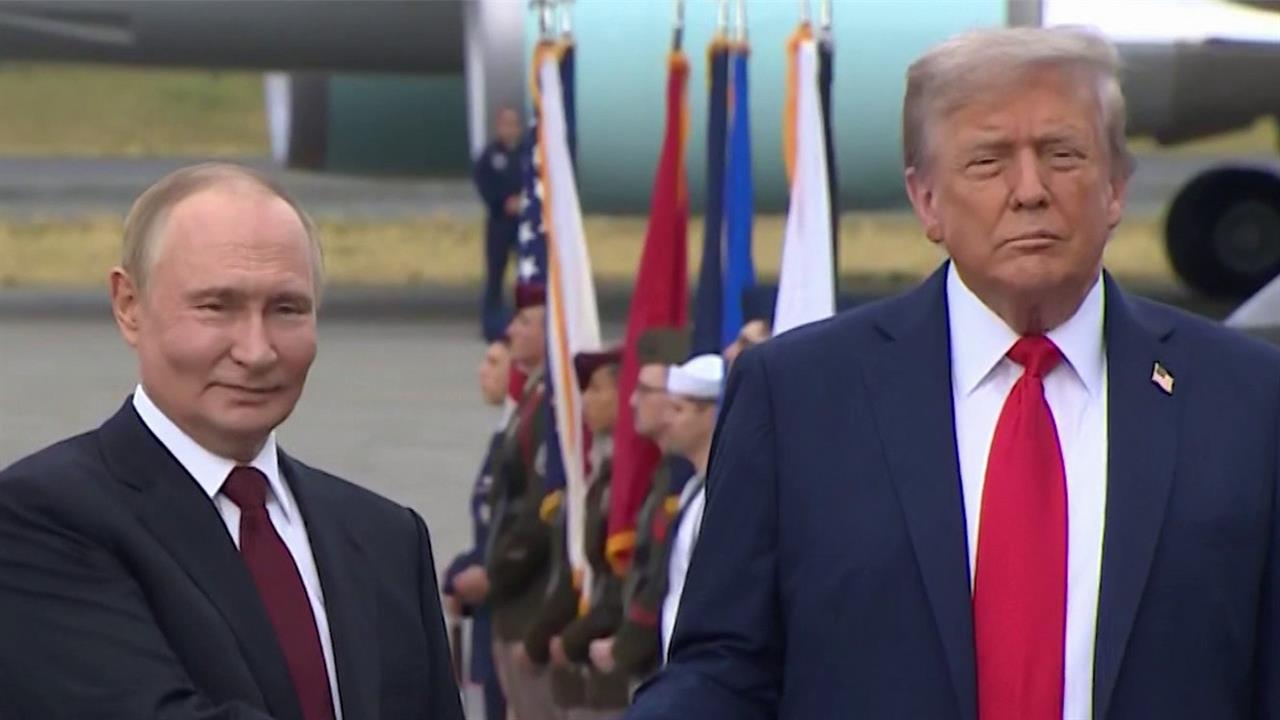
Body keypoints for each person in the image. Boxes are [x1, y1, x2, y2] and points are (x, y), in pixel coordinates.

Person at [627, 26, 1280, 720]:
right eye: (988, 162)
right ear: (927, 200)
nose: (1030, 191)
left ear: (1116, 187)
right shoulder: (798, 399)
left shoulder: (1248, 400)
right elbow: (725, 673)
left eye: (1062, 155)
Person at [0, 162, 463, 719]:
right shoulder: (40, 518)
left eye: (286, 309)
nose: (257, 351)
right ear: (129, 306)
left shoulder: (387, 539)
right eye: (216, 307)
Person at [587, 329, 690, 684]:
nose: (631, 401)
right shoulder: (662, 475)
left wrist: (624, 648)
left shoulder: (681, 480)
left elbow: (661, 577)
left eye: (645, 390)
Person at [486, 282, 559, 720]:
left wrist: (496, 572)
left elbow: (539, 506)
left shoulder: (549, 406)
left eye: (525, 321)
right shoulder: (531, 399)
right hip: (514, 599)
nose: (512, 330)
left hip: (530, 596)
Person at [443, 338, 513, 720]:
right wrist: (459, 572)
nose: (482, 371)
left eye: (494, 362)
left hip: (514, 613)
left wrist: (489, 574)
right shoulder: (504, 435)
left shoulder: (525, 437)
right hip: (490, 614)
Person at [654, 355, 723, 660]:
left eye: (678, 409)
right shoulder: (692, 489)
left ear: (710, 415)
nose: (666, 420)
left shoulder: (718, 496)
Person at [473, 107, 525, 342]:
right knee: (495, 274)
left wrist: (524, 201)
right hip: (499, 223)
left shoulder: (527, 154)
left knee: (525, 275)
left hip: (523, 225)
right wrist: (502, 202)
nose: (510, 129)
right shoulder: (490, 156)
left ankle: (524, 323)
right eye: (506, 124)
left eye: (514, 124)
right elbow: (482, 183)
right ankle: (491, 324)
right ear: (498, 127)